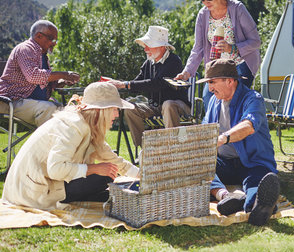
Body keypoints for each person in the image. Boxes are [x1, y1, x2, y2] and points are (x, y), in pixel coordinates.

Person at [1, 82, 140, 211]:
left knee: (106, 177)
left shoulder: (89, 126)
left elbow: (114, 160)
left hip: (43, 184)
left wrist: (143, 175)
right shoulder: (72, 126)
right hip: (30, 192)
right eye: (114, 109)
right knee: (103, 177)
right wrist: (94, 168)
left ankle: (95, 196)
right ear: (100, 110)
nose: (117, 114)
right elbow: (55, 169)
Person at [199, 58, 280, 226]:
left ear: (230, 81)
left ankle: (257, 205)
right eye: (208, 83)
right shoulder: (214, 101)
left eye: (212, 82)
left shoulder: (253, 98)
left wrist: (223, 137)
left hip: (253, 161)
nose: (209, 88)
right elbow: (205, 130)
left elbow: (249, 125)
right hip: (224, 163)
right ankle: (226, 197)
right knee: (198, 167)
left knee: (256, 182)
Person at [174, 0, 261, 109]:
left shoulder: (238, 8)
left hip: (241, 63)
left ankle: (234, 129)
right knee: (209, 97)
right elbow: (198, 49)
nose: (205, 3)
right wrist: (187, 72)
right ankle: (217, 129)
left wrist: (232, 48)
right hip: (217, 66)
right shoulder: (203, 15)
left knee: (234, 99)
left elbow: (256, 41)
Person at [109, 25, 190, 149]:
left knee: (168, 105)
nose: (145, 49)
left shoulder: (174, 61)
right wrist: (117, 84)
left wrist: (126, 84)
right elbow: (136, 84)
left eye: (149, 45)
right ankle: (145, 150)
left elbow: (157, 83)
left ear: (163, 47)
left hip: (178, 106)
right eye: (145, 45)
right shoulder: (148, 63)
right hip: (155, 107)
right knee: (129, 108)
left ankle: (173, 149)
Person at [0, 19, 80, 126]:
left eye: (56, 40)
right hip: (12, 101)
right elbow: (33, 76)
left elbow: (41, 83)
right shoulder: (25, 49)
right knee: (49, 109)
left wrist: (62, 81)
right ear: (39, 36)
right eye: (52, 39)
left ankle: (63, 142)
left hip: (30, 103)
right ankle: (45, 142)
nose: (54, 44)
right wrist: (64, 74)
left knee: (69, 111)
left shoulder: (42, 55)